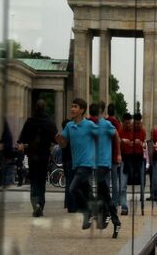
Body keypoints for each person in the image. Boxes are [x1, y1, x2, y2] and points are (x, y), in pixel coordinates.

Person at [56, 98, 98, 229]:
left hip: (87, 163)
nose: (72, 109)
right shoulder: (69, 126)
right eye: (72, 106)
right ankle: (103, 210)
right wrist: (59, 140)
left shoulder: (89, 125)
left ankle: (88, 213)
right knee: (87, 191)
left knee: (72, 188)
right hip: (76, 163)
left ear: (82, 110)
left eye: (75, 107)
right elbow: (64, 145)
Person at [17, 99, 58, 217]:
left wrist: (22, 143)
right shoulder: (49, 122)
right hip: (44, 155)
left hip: (32, 154)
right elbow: (55, 139)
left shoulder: (30, 122)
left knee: (34, 180)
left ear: (35, 107)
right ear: (44, 108)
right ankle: (41, 203)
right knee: (41, 180)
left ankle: (36, 204)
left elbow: (22, 138)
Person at [88, 103, 122, 238]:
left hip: (103, 162)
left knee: (102, 192)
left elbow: (117, 137)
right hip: (92, 162)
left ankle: (107, 215)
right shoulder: (89, 125)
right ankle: (113, 219)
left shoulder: (106, 124)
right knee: (103, 192)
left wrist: (118, 154)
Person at [119, 112, 146, 215]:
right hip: (125, 158)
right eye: (127, 123)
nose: (129, 125)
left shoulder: (141, 131)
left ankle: (142, 205)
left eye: (130, 123)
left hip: (138, 159)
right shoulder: (121, 130)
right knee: (123, 184)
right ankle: (124, 207)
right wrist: (122, 141)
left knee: (142, 183)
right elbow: (117, 141)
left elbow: (144, 144)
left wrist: (140, 143)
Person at [105, 103, 122, 210]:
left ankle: (107, 201)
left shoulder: (105, 122)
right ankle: (116, 201)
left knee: (106, 179)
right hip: (115, 154)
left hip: (106, 154)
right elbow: (119, 138)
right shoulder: (117, 123)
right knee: (115, 179)